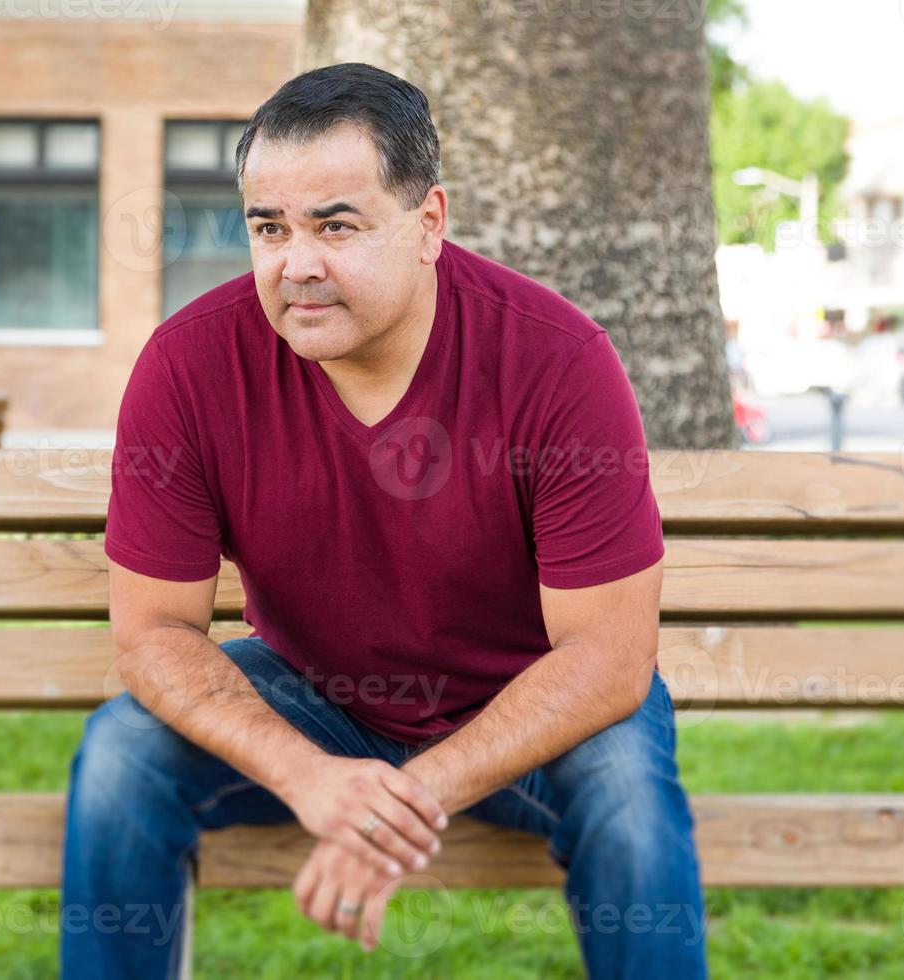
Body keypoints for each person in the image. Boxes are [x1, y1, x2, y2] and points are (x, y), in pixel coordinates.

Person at [61, 62, 707, 979]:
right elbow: (153, 635)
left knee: (632, 805)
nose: (298, 264)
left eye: (337, 224)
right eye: (268, 228)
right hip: (315, 699)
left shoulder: (556, 360)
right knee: (123, 753)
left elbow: (607, 661)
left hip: (528, 705)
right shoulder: (189, 365)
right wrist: (310, 778)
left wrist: (398, 802)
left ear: (428, 224)